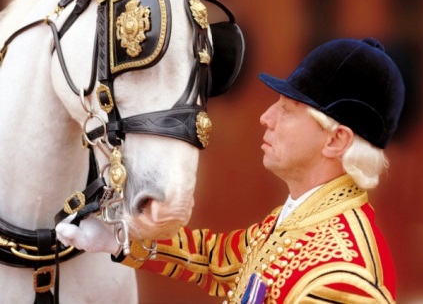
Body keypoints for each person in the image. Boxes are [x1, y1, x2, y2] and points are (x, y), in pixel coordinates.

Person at [56, 37, 404, 304]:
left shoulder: (340, 275)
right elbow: (216, 259)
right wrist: (119, 237)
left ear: (336, 140)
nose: (266, 117)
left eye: (288, 109)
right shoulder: (303, 217)